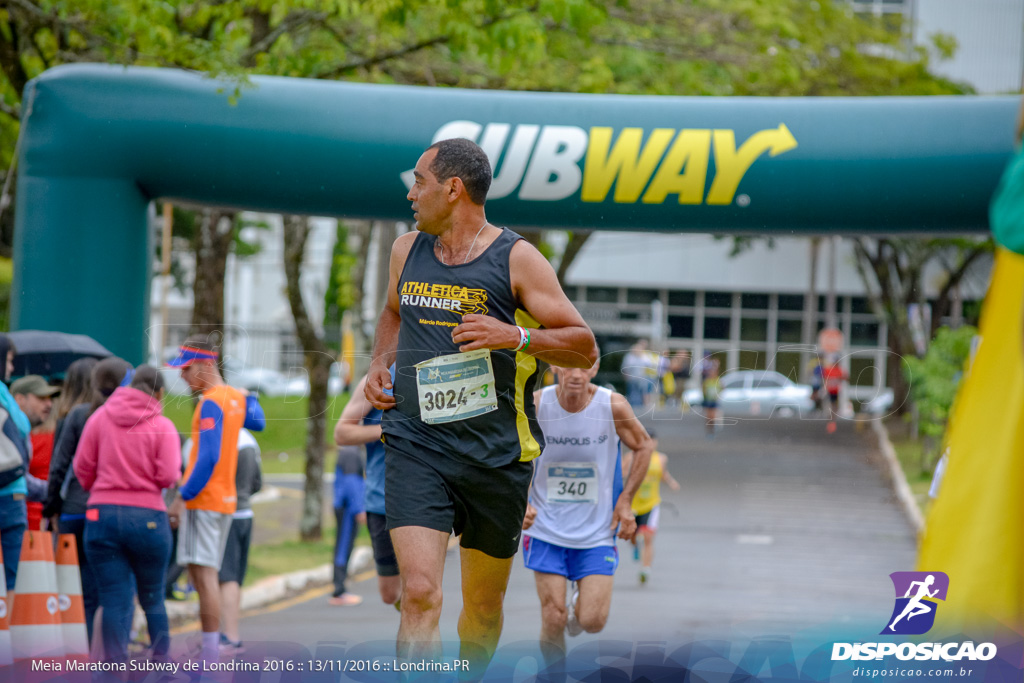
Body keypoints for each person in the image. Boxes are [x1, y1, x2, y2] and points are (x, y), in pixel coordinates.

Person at [365, 138, 597, 674]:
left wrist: (514, 336)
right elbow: (393, 312)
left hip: (496, 456)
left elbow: (584, 347)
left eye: (419, 181)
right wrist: (380, 362)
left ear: (453, 188)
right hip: (415, 443)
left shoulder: (516, 259)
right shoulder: (406, 250)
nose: (410, 194)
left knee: (482, 615)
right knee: (420, 593)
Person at [521, 359, 653, 668]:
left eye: (585, 367)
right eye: (569, 366)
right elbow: (517, 453)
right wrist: (522, 500)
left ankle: (581, 604)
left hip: (596, 531)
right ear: (555, 366)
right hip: (545, 527)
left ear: (594, 369)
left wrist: (625, 501)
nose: (577, 374)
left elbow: (644, 446)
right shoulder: (538, 405)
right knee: (553, 615)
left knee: (592, 621)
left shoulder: (612, 405)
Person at [166, 336, 266, 665]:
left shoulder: (210, 401)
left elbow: (207, 458)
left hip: (205, 501)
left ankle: (210, 650)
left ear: (207, 365)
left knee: (203, 575)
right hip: (225, 501)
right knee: (205, 574)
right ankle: (210, 643)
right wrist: (246, 396)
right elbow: (259, 421)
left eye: (187, 368)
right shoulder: (234, 397)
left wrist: (182, 497)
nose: (181, 376)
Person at [73, 365, 181, 663]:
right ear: (158, 393)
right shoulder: (163, 425)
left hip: (101, 516)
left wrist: (100, 490)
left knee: (113, 599)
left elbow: (82, 466)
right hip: (148, 518)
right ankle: (161, 662)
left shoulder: (98, 419)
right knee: (152, 597)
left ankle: (112, 669)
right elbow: (169, 475)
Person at [43, 356, 126, 647]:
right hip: (106, 510)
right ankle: (108, 656)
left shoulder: (75, 417)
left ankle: (75, 654)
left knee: (73, 589)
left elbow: (59, 466)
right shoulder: (121, 416)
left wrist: (50, 508)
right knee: (107, 590)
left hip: (73, 510)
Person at [335, 373, 401, 609]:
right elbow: (341, 433)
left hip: (428, 499)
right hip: (381, 500)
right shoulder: (379, 379)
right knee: (390, 593)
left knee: (422, 586)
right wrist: (387, 429)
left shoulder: (440, 369)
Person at [0, 333, 44, 592]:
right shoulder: (5, 396)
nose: (12, 367)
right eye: (8, 360)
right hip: (11, 493)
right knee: (16, 575)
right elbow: (19, 442)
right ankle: (13, 629)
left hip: (13, 492)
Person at [218, 427, 262, 655]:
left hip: (227, 514)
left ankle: (230, 636)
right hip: (246, 513)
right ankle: (229, 634)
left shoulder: (225, 437)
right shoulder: (250, 440)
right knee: (236, 577)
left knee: (227, 578)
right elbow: (258, 482)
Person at [627, 429, 680, 584]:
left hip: (651, 503)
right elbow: (620, 473)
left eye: (653, 441)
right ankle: (635, 546)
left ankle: (646, 569)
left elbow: (663, 474)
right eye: (647, 440)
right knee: (632, 535)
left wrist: (671, 482)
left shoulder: (661, 459)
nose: (650, 444)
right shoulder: (631, 457)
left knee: (649, 537)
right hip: (632, 505)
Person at [11, 375, 59, 530]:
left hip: (33, 521)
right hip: (19, 522)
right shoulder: (11, 430)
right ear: (19, 399)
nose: (49, 404)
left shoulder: (24, 431)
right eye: (41, 398)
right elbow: (19, 477)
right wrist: (54, 491)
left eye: (50, 399)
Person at [621, 341, 652, 409]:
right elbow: (625, 368)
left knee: (643, 392)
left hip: (642, 378)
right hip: (632, 379)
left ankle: (642, 405)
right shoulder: (629, 357)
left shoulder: (643, 356)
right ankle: (633, 406)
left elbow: (648, 364)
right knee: (633, 393)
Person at [701, 359, 721, 438]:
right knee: (708, 417)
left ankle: (712, 430)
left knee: (713, 416)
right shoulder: (707, 381)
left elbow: (721, 388)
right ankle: (709, 431)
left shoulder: (717, 380)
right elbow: (703, 390)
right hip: (708, 400)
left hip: (714, 401)